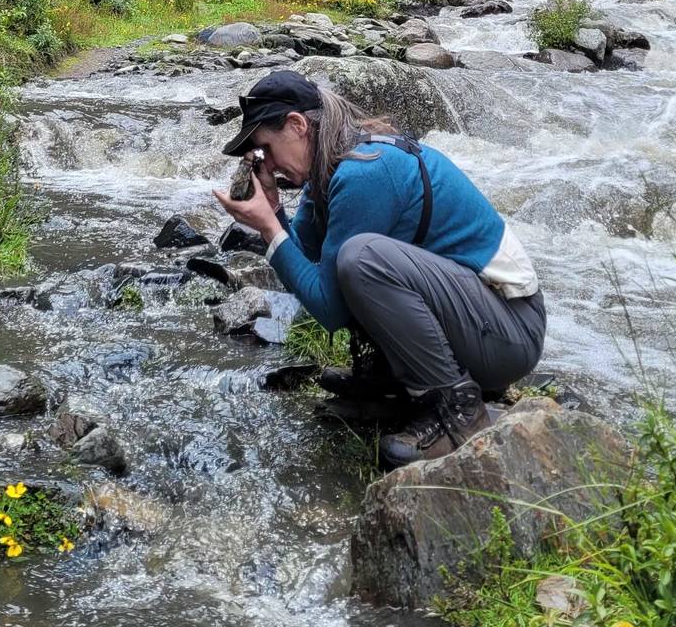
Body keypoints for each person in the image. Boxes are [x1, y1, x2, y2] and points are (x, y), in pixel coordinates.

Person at [213, 70, 546, 467]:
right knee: (351, 261)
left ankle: (456, 410)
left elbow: (329, 309)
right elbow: (308, 264)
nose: (270, 164)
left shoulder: (366, 172)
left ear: (297, 126)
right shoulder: (332, 170)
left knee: (361, 259)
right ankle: (393, 385)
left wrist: (268, 228)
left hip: (510, 335)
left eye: (266, 148)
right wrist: (276, 211)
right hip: (479, 324)